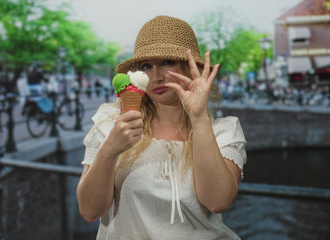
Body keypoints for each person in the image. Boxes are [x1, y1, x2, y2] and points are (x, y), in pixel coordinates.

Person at [76, 15, 247, 239]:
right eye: (146, 66)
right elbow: (89, 211)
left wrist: (199, 118)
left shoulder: (223, 131)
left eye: (167, 62)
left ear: (190, 67)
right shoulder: (112, 122)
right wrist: (109, 151)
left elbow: (217, 201)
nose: (155, 77)